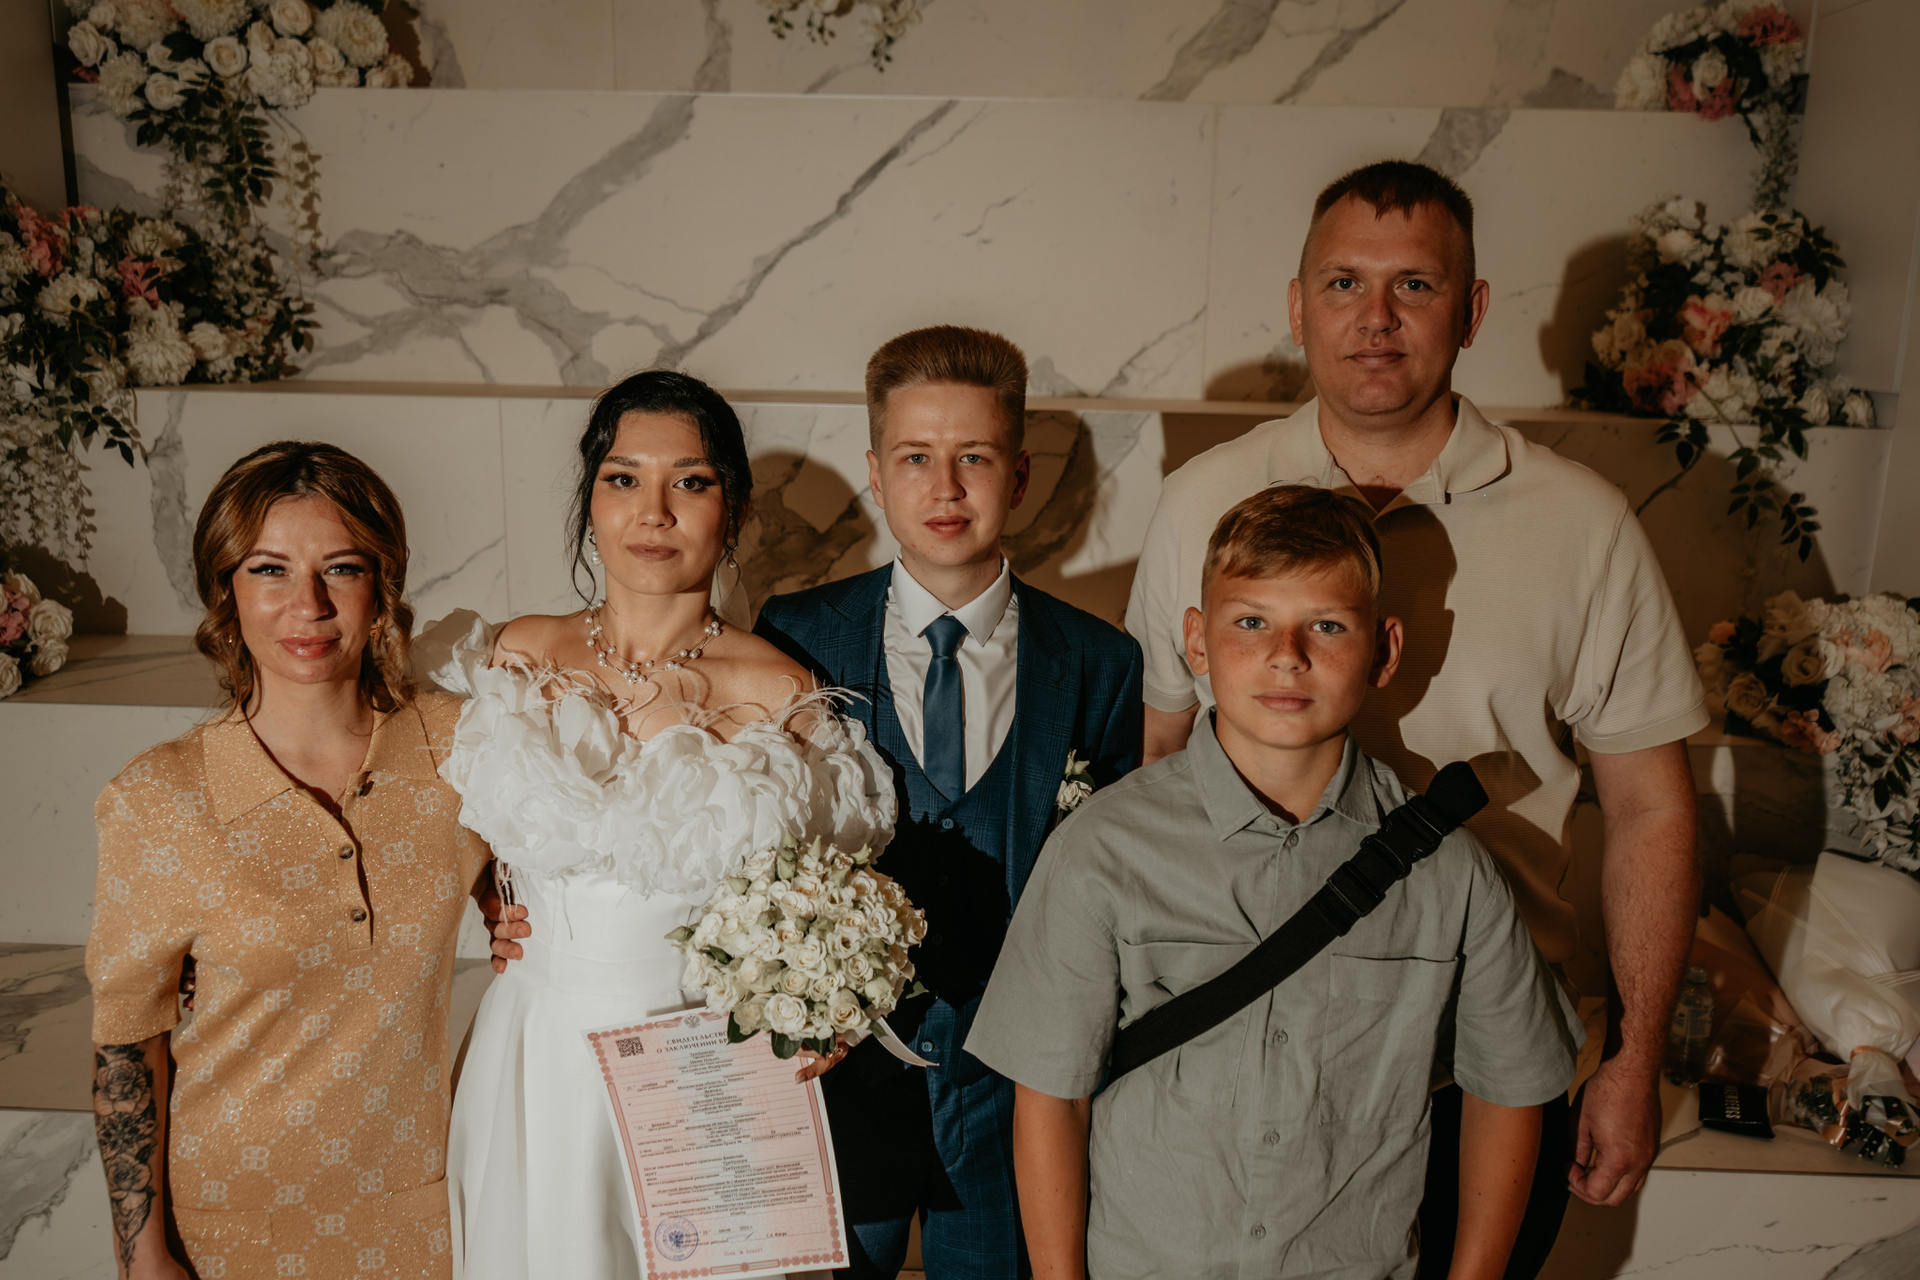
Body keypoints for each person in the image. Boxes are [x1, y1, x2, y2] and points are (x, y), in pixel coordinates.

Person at [1124, 160, 1705, 1274]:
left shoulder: (1583, 524)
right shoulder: (1202, 498)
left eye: (1416, 286)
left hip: (1480, 1070)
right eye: (1343, 283)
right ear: (1297, 306)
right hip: (1235, 1057)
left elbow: (1650, 809)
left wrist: (1635, 1059)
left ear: (1472, 311)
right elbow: (1156, 762)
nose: (1375, 318)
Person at [969, 484, 1579, 1280]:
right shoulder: (1102, 851)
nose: (1287, 654)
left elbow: (1510, 1091)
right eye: (1252, 621)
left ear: (1385, 650)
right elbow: (1052, 1097)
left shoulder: (1450, 874)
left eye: (1327, 625)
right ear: (1197, 642)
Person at [433, 369, 897, 1280]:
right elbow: (456, 817)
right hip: (536, 1050)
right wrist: (489, 890)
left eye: (690, 481)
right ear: (591, 500)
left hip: (702, 1066)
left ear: (735, 509)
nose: (653, 512)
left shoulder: (781, 690)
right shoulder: (518, 653)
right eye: (623, 478)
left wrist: (833, 1006)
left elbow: (842, 901)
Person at [754, 325, 1144, 1279]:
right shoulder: (794, 636)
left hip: (1017, 1106)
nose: (947, 488)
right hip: (840, 1093)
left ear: (1019, 475)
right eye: (915, 458)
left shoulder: (1099, 662)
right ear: (875, 476)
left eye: (974, 457)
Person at [85, 442, 495, 1279]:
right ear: (226, 593)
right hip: (229, 1224)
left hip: (424, 1218)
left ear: (381, 587)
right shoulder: (159, 797)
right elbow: (128, 1043)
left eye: (341, 568)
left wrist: (515, 907)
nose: (307, 604)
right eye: (269, 570)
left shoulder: (461, 750)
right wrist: (142, 1255)